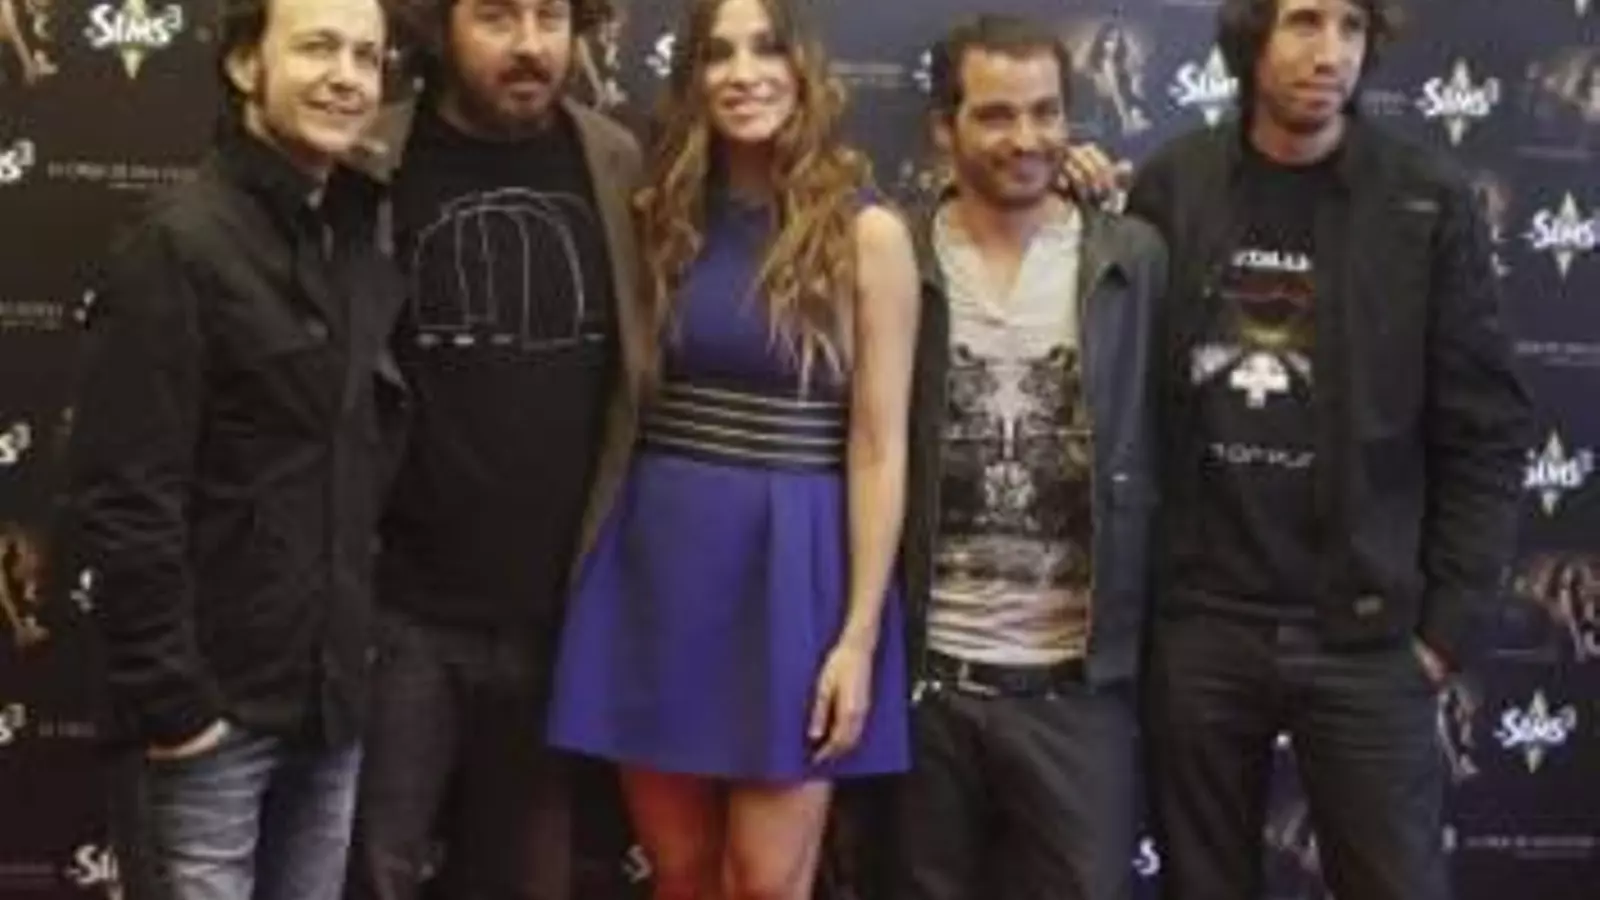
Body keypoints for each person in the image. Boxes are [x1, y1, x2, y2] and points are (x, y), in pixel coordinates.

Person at [1069, 1, 1532, 898]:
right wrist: (1071, 201)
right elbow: (1111, 363)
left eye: (1351, 28)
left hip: (1366, 635)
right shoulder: (1174, 184)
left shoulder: (1426, 199)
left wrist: (1445, 632)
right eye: (1305, 22)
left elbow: (1485, 426)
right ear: (1253, 38)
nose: (1331, 54)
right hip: (1202, 625)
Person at [543, 0, 921, 897]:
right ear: (693, 76)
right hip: (658, 561)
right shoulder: (658, 214)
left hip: (796, 573)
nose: (743, 74)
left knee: (765, 882)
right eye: (718, 53)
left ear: (806, 70)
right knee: (679, 874)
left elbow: (878, 447)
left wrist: (858, 638)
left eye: (766, 49)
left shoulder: (867, 233)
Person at [68, 1, 403, 898]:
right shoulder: (176, 244)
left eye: (366, 56)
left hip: (327, 707)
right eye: (318, 47)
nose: (346, 76)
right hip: (211, 720)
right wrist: (176, 707)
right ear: (247, 64)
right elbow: (124, 494)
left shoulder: (358, 238)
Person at [337, 1, 643, 898]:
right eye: (498, 17)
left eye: (551, 16)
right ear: (440, 25)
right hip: (402, 613)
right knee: (374, 866)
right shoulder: (368, 156)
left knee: (528, 875)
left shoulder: (615, 159)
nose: (530, 45)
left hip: (556, 617)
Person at [892, 15, 1167, 900]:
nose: (1027, 138)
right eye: (997, 115)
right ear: (945, 128)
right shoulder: (898, 256)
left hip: (1076, 693)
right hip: (927, 684)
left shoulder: (1131, 259)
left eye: (1046, 112)